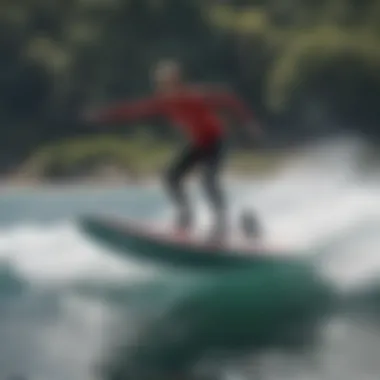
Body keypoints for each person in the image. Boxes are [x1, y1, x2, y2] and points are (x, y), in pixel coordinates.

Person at [85, 59, 261, 240]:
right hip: (199, 143)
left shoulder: (194, 96)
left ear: (178, 81)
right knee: (172, 177)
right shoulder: (163, 102)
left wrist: (248, 122)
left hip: (216, 142)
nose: (165, 87)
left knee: (208, 181)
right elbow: (132, 110)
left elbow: (229, 99)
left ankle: (221, 223)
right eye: (162, 84)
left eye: (169, 83)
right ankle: (185, 215)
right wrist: (102, 115)